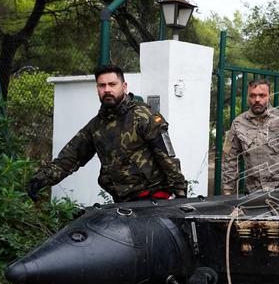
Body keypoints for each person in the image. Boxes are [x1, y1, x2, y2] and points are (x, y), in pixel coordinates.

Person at [27, 64, 187, 203]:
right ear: (97, 89)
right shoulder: (95, 127)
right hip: (121, 202)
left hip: (154, 199)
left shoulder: (144, 116)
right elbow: (69, 159)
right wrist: (41, 179)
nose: (107, 90)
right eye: (102, 85)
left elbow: (167, 159)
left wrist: (180, 198)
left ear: (124, 87)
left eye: (112, 84)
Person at [221, 78, 279, 195]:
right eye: (252, 95)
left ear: (270, 96)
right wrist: (228, 191)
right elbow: (229, 159)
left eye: (262, 95)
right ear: (248, 97)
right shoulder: (237, 123)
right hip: (254, 192)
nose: (257, 100)